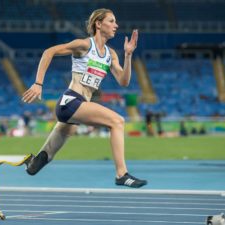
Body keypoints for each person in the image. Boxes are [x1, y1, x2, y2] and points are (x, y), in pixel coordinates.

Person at [22, 8, 147, 188]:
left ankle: (36, 163)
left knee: (65, 134)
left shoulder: (111, 54)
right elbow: (49, 52)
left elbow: (123, 81)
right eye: (111, 21)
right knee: (117, 121)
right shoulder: (84, 45)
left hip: (78, 106)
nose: (116, 25)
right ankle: (121, 174)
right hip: (71, 100)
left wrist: (128, 55)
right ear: (98, 24)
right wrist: (38, 83)